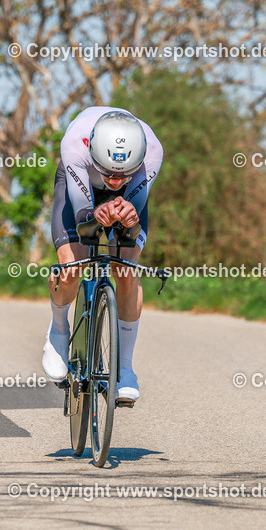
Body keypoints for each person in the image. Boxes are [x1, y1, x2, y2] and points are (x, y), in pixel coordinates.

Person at [42, 106, 163, 402]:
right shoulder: (75, 144)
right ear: (93, 150)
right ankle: (58, 331)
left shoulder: (152, 152)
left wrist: (128, 213)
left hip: (128, 200)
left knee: (126, 270)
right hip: (80, 189)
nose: (113, 180)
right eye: (107, 172)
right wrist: (96, 212)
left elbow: (133, 210)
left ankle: (124, 368)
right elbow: (84, 217)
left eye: (121, 174)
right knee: (71, 267)